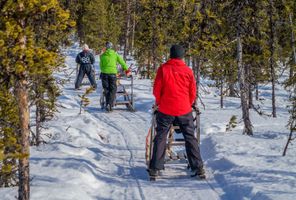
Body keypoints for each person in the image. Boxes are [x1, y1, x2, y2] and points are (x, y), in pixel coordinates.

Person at [149, 44, 205, 178]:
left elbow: (157, 89)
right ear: (182, 56)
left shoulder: (163, 69)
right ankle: (198, 167)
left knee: (161, 135)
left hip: (166, 109)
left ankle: (155, 168)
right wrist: (189, 103)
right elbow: (192, 91)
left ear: (170, 54)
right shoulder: (188, 70)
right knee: (190, 136)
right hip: (184, 110)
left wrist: (159, 103)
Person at [100, 42, 131, 112]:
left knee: (106, 89)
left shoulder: (102, 55)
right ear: (111, 47)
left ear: (106, 47)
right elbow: (122, 62)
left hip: (104, 74)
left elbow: (101, 66)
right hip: (113, 74)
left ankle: (108, 104)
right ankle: (110, 104)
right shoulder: (115, 54)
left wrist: (104, 70)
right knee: (113, 89)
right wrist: (127, 70)